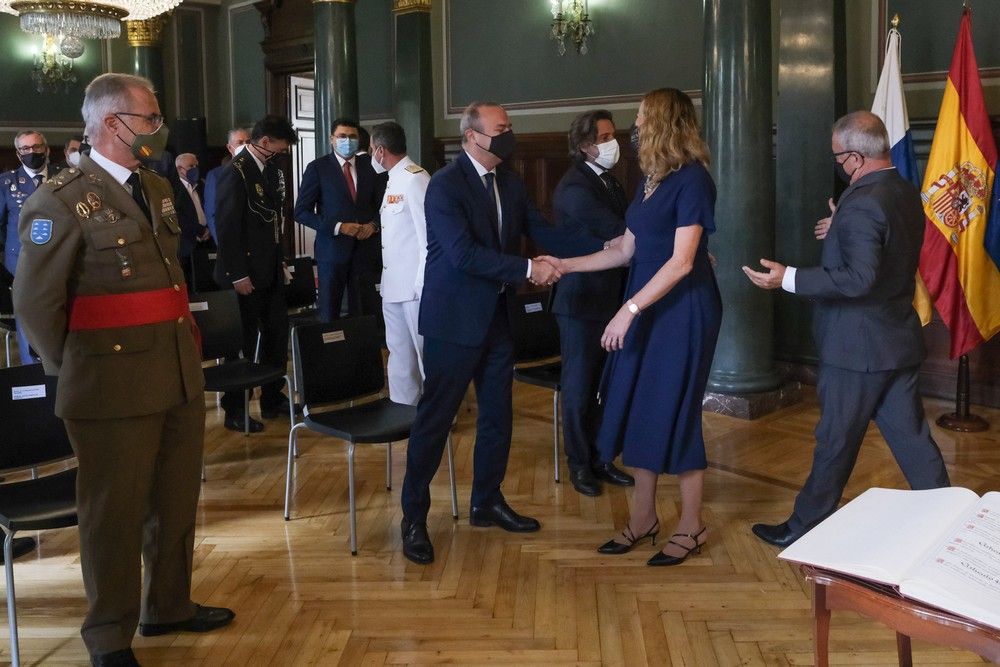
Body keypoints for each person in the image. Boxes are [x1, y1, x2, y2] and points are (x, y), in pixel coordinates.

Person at [13, 72, 234, 667]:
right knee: (113, 513)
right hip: (108, 384)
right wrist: (76, 367)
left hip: (175, 369)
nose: (158, 130)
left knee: (175, 498)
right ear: (113, 124)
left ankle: (168, 605)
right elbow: (35, 303)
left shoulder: (157, 187)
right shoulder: (57, 200)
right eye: (150, 120)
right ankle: (109, 636)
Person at [399, 101, 603, 565]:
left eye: (510, 126)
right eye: (501, 129)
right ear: (472, 136)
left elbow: (540, 229)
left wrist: (609, 247)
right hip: (453, 322)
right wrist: (528, 267)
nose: (510, 135)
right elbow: (463, 255)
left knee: (497, 417)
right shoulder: (445, 187)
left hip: (498, 318)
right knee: (435, 422)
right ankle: (413, 518)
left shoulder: (509, 180)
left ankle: (486, 501)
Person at [742, 110, 951, 547]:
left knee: (835, 440)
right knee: (913, 440)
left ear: (856, 157)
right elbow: (882, 250)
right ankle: (950, 521)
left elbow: (859, 280)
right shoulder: (904, 191)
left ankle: (804, 525)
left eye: (839, 157)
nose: (838, 164)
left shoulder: (865, 202)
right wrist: (841, 226)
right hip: (896, 341)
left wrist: (789, 278)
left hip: (858, 350)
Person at [539, 88, 722, 567]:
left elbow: (682, 263)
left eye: (641, 118)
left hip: (682, 310)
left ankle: (692, 524)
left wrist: (628, 311)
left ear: (664, 122)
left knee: (675, 409)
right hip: (646, 302)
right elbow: (624, 251)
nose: (634, 128)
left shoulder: (693, 181)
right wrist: (566, 264)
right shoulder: (649, 181)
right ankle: (643, 519)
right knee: (640, 407)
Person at [550, 109, 634, 496]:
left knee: (606, 385)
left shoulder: (610, 182)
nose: (611, 142)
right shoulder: (574, 187)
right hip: (581, 304)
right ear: (585, 145)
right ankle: (580, 465)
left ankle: (602, 458)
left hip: (610, 300)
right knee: (580, 389)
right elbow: (619, 231)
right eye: (603, 137)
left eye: (611, 134)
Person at [214, 114, 298, 432]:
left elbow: (274, 223)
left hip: (271, 270)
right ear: (264, 143)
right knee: (244, 344)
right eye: (279, 147)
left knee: (276, 336)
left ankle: (272, 398)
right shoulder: (234, 173)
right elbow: (227, 227)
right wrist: (238, 274)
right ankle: (236, 409)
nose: (282, 153)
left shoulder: (271, 170)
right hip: (244, 274)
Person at [294, 118, 383, 321]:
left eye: (352, 137)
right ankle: (329, 352)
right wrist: (338, 227)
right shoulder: (317, 168)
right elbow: (301, 212)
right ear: (332, 139)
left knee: (363, 312)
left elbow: (384, 205)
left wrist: (374, 225)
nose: (347, 141)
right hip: (331, 251)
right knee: (329, 312)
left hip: (365, 251)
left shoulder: (371, 167)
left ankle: (360, 352)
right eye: (342, 136)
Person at [369, 121, 429, 406]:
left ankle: (439, 414)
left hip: (415, 288)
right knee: (399, 353)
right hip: (393, 286)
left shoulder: (415, 178)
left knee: (425, 354)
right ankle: (404, 409)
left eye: (371, 149)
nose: (371, 155)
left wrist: (422, 285)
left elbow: (428, 239)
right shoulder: (393, 178)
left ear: (380, 150)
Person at [1, 130, 60, 364]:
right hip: (20, 266)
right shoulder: (7, 183)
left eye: (36, 147)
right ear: (18, 154)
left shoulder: (64, 177)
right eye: (25, 149)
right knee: (27, 322)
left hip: (58, 261)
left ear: (46, 150)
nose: (31, 152)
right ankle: (32, 374)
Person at [173, 152, 212, 289]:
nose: (195, 168)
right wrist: (200, 230)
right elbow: (177, 215)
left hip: (206, 243)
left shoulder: (201, 185)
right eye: (191, 166)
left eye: (196, 165)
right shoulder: (172, 188)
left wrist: (208, 229)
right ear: (179, 169)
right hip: (186, 244)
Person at [204, 127, 250, 241]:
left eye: (248, 142)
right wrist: (222, 243)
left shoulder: (259, 171)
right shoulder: (216, 175)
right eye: (240, 142)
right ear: (230, 147)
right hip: (230, 240)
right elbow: (212, 213)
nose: (245, 145)